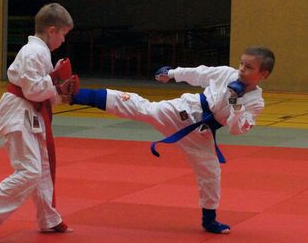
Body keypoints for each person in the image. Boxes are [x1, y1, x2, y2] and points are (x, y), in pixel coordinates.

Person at [69, 46, 275, 234]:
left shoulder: (256, 102)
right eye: (241, 63)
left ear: (263, 74)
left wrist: (235, 102)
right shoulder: (226, 73)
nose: (241, 69)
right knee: (144, 108)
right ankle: (78, 95)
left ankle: (209, 220)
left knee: (211, 172)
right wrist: (172, 74)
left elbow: (237, 129)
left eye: (248, 67)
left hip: (202, 133)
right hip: (185, 110)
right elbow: (199, 73)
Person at [0, 3, 78, 235]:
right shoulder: (33, 53)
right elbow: (33, 90)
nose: (63, 40)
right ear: (52, 30)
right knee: (30, 169)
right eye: (63, 34)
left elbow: (43, 91)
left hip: (30, 113)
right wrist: (55, 81)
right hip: (18, 111)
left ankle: (48, 219)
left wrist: (60, 88)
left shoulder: (42, 53)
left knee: (40, 166)